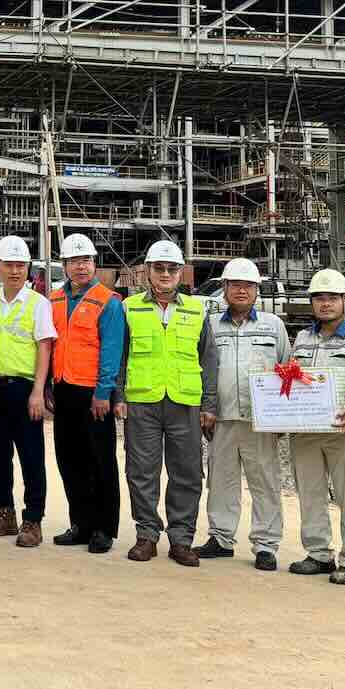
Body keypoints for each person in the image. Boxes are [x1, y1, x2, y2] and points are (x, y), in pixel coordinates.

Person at [119, 239, 217, 567]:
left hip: (184, 402)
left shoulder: (196, 309)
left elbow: (209, 359)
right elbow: (119, 356)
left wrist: (208, 404)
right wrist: (118, 396)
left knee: (187, 473)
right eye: (158, 268)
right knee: (141, 471)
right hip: (142, 401)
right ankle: (146, 534)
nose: (164, 274)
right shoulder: (129, 308)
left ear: (181, 273)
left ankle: (181, 538)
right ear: (147, 271)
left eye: (171, 269)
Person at [194, 258, 291, 571]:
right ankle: (221, 538)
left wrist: (282, 418)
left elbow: (287, 370)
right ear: (223, 288)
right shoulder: (209, 325)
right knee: (221, 480)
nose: (241, 290)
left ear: (257, 291)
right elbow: (202, 370)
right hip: (221, 417)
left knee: (265, 481)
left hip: (259, 420)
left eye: (247, 285)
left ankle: (265, 545)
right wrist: (205, 407)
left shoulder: (273, 326)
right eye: (234, 284)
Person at [282, 268, 345, 584]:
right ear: (312, 303)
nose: (326, 304)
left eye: (332, 297)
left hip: (343, 431)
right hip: (306, 433)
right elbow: (293, 379)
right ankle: (319, 554)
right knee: (310, 493)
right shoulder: (302, 339)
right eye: (319, 298)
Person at [47, 233, 125, 555]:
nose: (81, 266)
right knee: (70, 459)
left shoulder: (109, 301)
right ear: (64, 265)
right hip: (64, 390)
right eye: (75, 261)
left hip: (94, 394)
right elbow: (50, 346)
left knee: (100, 461)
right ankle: (80, 523)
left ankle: (103, 528)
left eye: (87, 261)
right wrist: (50, 386)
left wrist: (104, 392)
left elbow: (112, 350)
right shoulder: (53, 300)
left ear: (94, 263)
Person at [0, 236, 57, 549]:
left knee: (31, 456)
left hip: (25, 389)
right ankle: (3, 513)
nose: (14, 271)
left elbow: (45, 347)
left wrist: (38, 392)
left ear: (28, 269)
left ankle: (33, 519)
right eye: (8, 265)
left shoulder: (38, 304)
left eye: (20, 265)